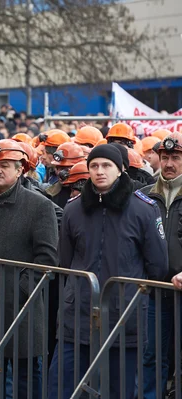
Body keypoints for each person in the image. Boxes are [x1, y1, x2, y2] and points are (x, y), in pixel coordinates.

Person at [49, 144, 168, 399]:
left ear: (121, 170)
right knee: (62, 387)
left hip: (124, 317)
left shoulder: (144, 210)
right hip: (77, 316)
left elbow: (158, 265)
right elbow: (65, 260)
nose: (99, 171)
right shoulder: (73, 209)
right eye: (94, 166)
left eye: (106, 165)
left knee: (120, 389)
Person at [0, 139, 58, 399]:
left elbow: (47, 259)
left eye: (5, 165)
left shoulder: (40, 206)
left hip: (21, 309)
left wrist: (21, 288)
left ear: (20, 170)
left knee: (27, 380)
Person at [141, 131, 182, 399]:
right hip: (154, 291)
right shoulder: (143, 196)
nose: (168, 163)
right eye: (164, 156)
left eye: (175, 157)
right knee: (152, 356)